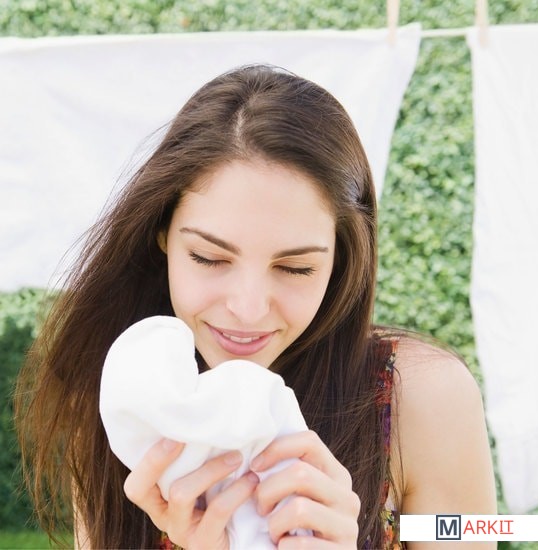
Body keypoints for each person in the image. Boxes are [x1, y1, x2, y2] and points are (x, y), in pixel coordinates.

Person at [15, 64, 496, 549]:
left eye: (295, 268)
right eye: (209, 258)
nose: (247, 309)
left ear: (340, 260)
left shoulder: (421, 398)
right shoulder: (131, 406)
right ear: (161, 234)